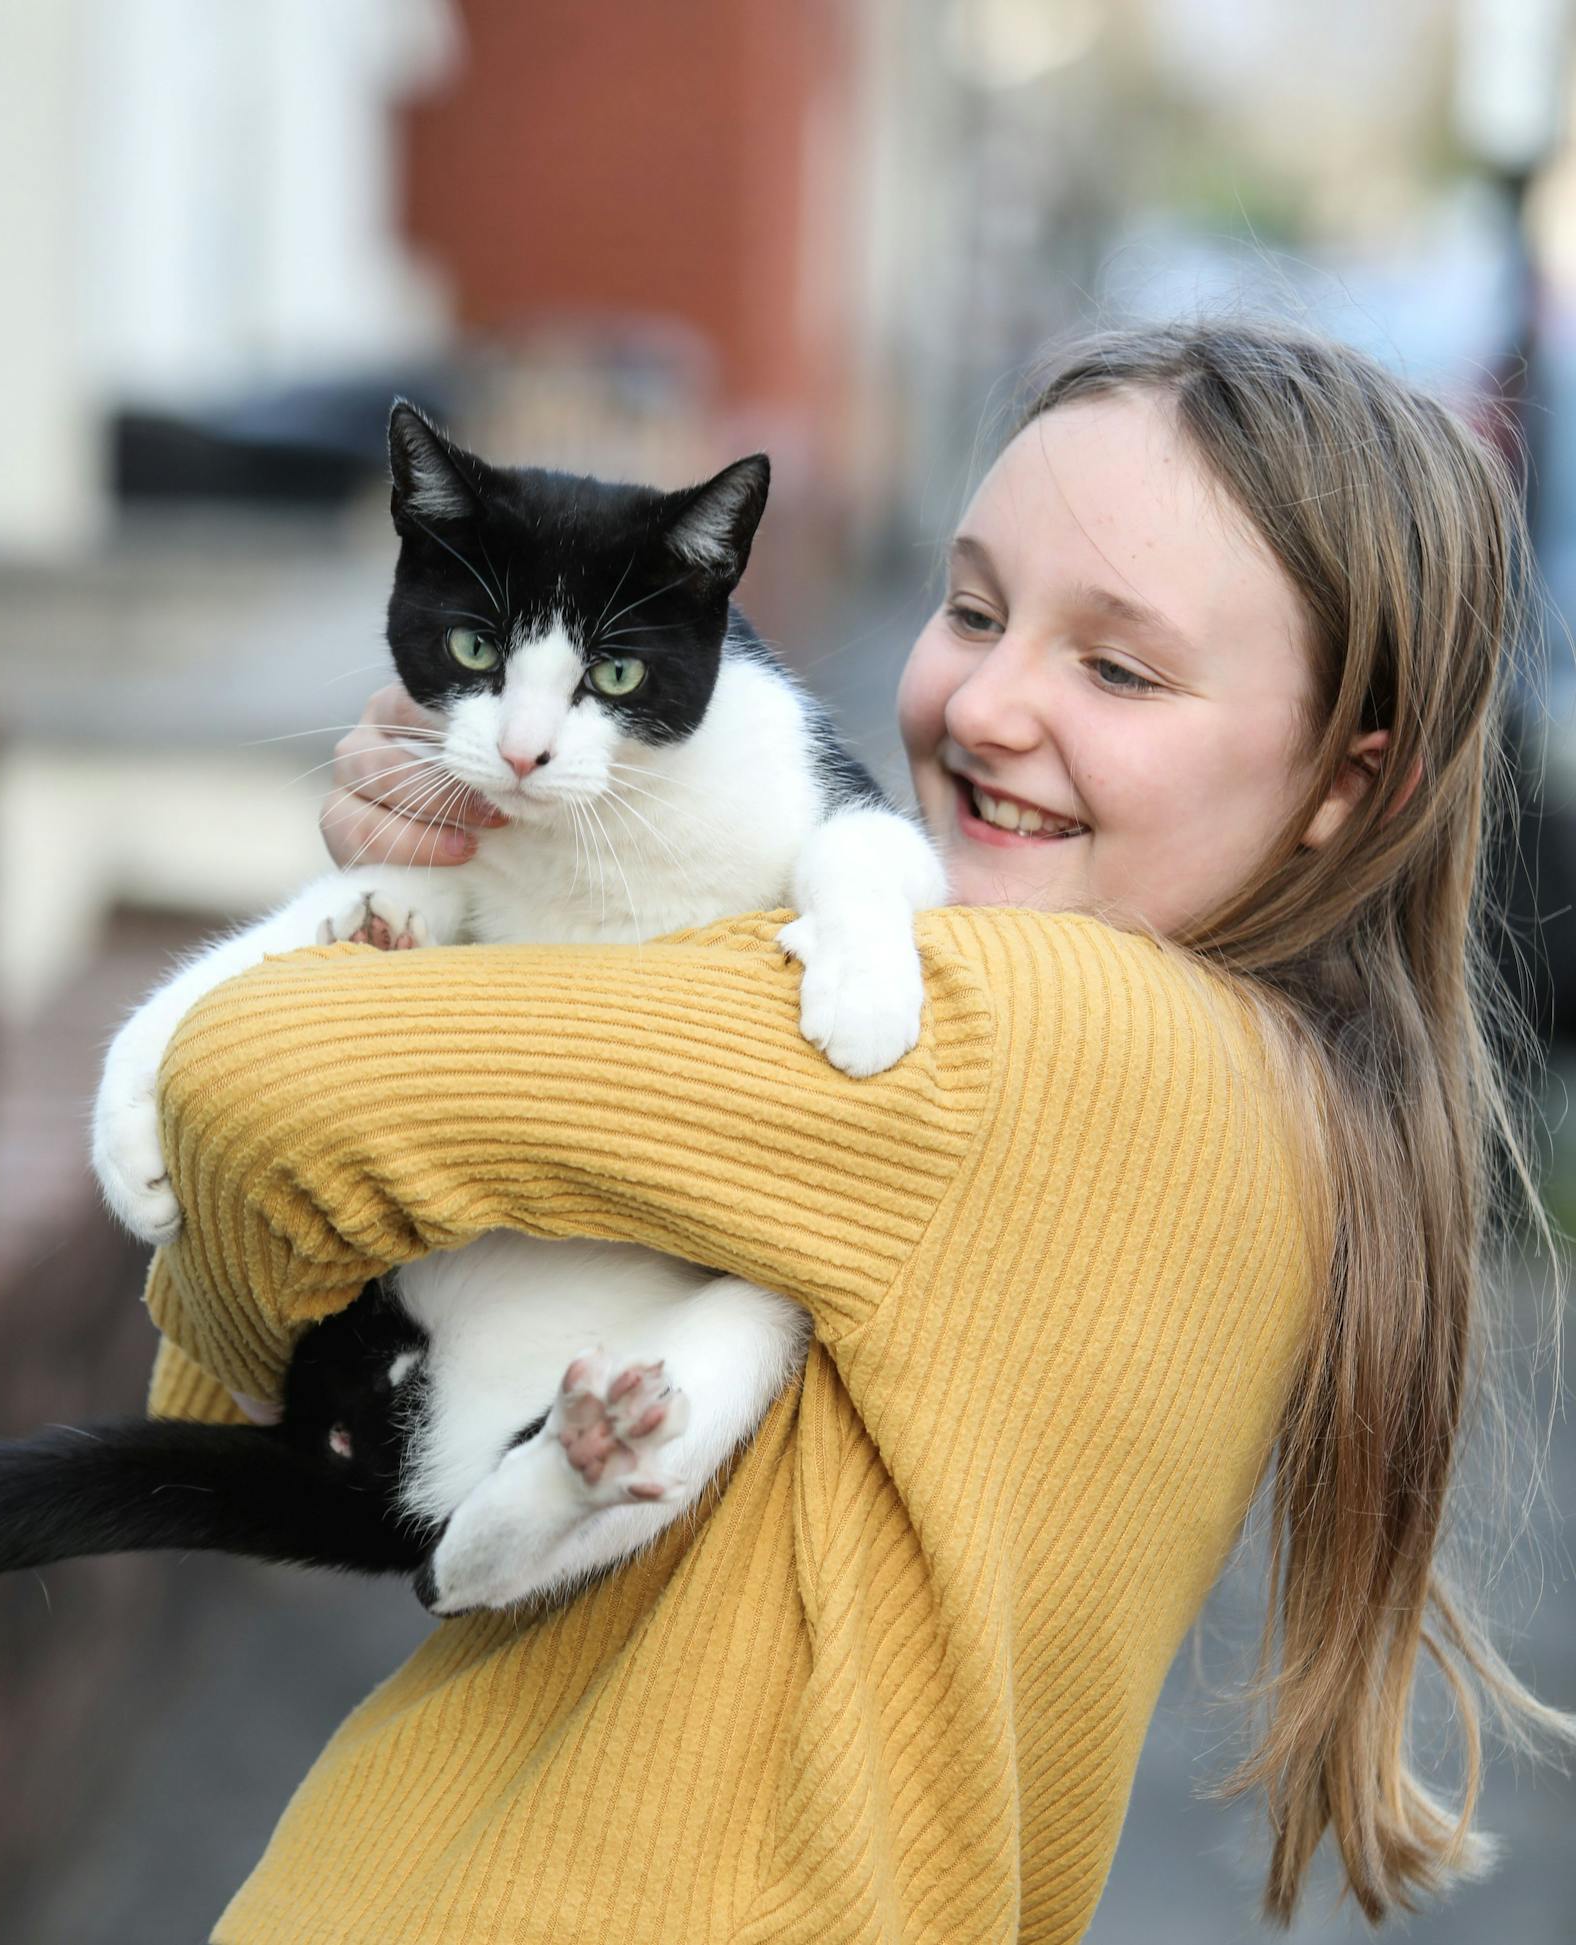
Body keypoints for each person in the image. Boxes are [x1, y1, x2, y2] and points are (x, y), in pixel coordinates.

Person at [143, 320, 1573, 1943]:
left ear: (1345, 783)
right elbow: (245, 1373)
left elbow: (251, 1091)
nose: (990, 700)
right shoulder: (1249, 1093)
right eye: (972, 608)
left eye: (1117, 666)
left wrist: (406, 928)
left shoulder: (1025, 1044)